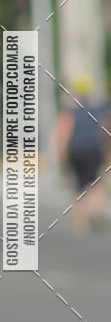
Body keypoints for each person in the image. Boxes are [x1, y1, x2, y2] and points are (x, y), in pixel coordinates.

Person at [54, 74, 110, 231]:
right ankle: (95, 213)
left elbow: (63, 132)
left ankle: (79, 221)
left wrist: (61, 154)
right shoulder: (98, 110)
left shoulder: (68, 111)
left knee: (77, 187)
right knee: (95, 185)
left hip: (75, 151)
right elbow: (104, 130)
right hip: (93, 149)